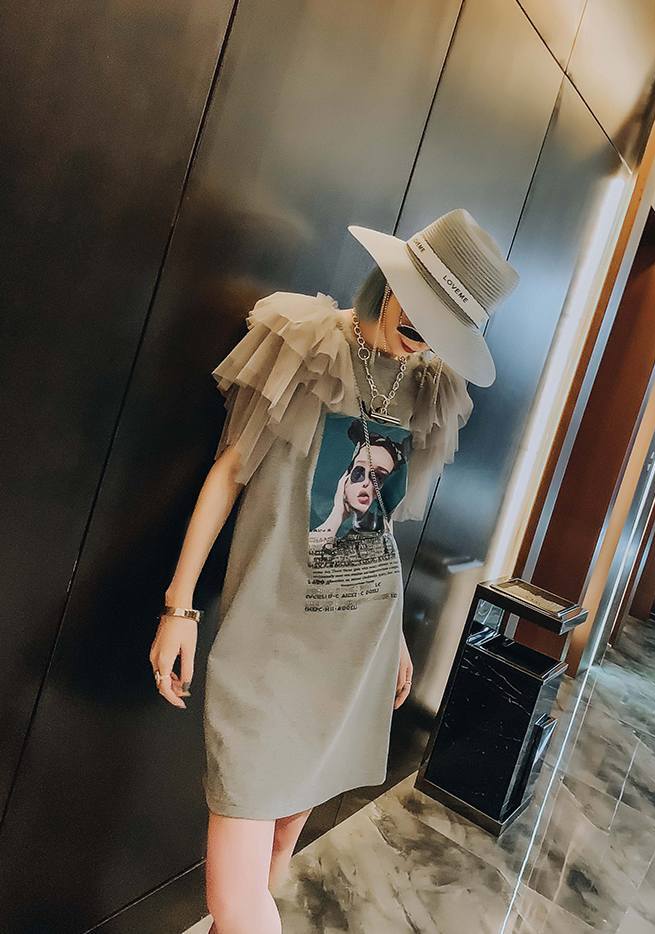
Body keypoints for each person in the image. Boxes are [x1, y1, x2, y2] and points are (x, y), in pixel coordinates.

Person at [148, 208, 519, 933]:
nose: (424, 342)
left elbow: (377, 528)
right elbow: (229, 472)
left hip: (355, 645)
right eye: (421, 317)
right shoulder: (303, 341)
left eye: (444, 332)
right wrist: (180, 605)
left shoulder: (428, 387)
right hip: (265, 639)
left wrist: (396, 637)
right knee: (235, 896)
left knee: (277, 852)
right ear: (394, 283)